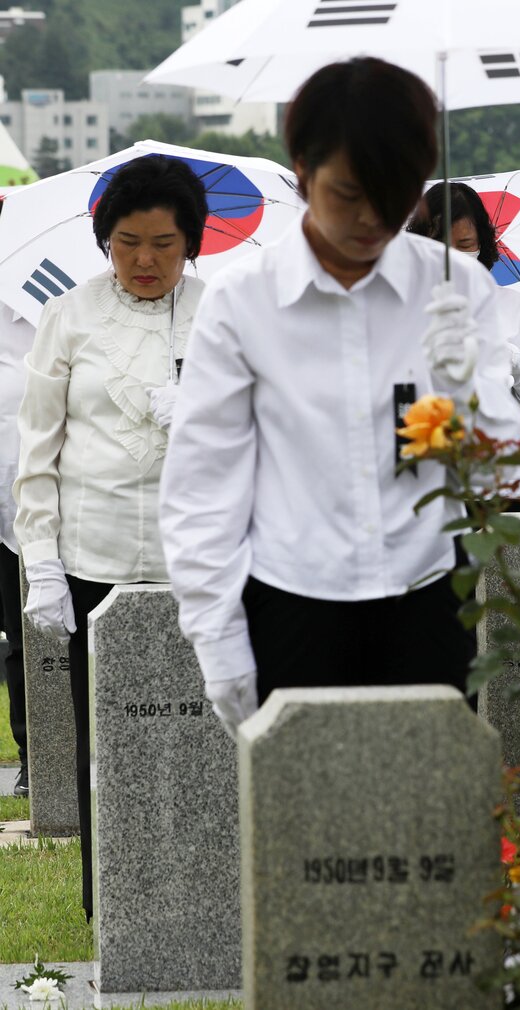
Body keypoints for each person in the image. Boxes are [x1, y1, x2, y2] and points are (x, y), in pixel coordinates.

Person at [159, 58, 520, 738]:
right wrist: (220, 644)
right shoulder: (245, 301)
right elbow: (203, 486)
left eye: (395, 196)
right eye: (348, 193)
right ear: (302, 170)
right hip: (293, 601)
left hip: (425, 595)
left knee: (428, 799)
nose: (371, 218)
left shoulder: (457, 288)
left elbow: (499, 474)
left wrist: (468, 386)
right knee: (304, 802)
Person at [13, 154, 209, 919]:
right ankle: (117, 906)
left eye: (163, 243)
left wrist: (204, 412)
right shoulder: (70, 315)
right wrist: (42, 564)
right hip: (94, 561)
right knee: (109, 744)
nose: (145, 260)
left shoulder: (219, 314)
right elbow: (37, 452)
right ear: (105, 241)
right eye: (128, 242)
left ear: (191, 242)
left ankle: (206, 902)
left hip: (198, 562)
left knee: (202, 739)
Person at [409, 181, 520, 399]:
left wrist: (509, 357)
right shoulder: (400, 307)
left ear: (481, 244)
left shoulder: (515, 305)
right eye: (439, 244)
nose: (452, 256)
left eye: (464, 245)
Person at [0, 306, 35, 797]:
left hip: (44, 505)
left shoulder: (53, 308)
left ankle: (42, 758)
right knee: (19, 640)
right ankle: (35, 757)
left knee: (35, 641)